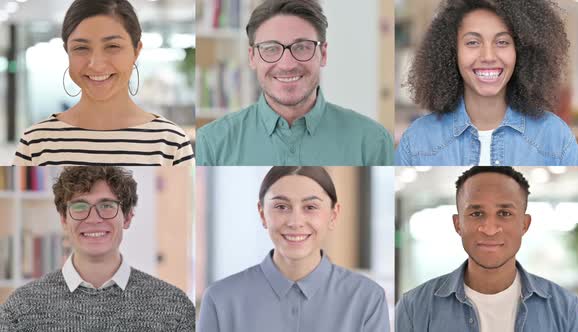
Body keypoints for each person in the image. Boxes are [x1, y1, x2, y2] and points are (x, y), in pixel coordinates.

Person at [196, 0, 394, 166]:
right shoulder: (212, 143)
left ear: (323, 54)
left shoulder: (371, 142)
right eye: (271, 49)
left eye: (301, 47)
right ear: (253, 57)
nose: (287, 64)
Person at [395, 166, 578, 331]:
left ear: (524, 224)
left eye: (504, 213)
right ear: (458, 224)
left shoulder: (566, 308)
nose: (489, 229)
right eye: (477, 213)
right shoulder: (414, 307)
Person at [0, 166, 195, 331]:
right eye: (80, 207)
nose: (93, 218)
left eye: (107, 205)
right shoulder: (20, 309)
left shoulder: (175, 307)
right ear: (64, 220)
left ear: (127, 218)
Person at [198, 166, 390, 331]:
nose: (295, 222)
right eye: (281, 207)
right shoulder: (220, 299)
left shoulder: (367, 298)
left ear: (333, 215)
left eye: (310, 207)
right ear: (262, 214)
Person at [395, 0, 578, 166]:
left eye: (502, 42)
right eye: (472, 43)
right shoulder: (418, 139)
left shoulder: (555, 136)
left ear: (522, 52)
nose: (488, 56)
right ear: (452, 53)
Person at [13, 0, 194, 166]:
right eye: (81, 48)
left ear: (136, 51)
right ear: (67, 52)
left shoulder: (171, 142)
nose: (96, 64)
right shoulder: (36, 142)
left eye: (112, 46)